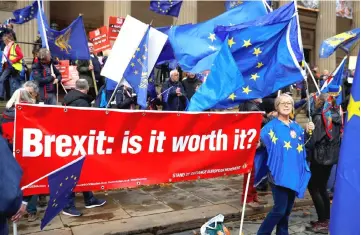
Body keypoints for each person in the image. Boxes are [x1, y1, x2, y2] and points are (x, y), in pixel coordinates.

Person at [257, 94, 314, 235]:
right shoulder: (270, 126)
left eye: (289, 103)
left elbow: (306, 144)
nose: (287, 105)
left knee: (287, 211)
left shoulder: (296, 126)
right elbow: (260, 142)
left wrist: (308, 131)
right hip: (278, 174)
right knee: (279, 209)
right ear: (277, 106)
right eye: (283, 103)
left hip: (294, 172)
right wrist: (256, 143)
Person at [62, 79, 106, 216]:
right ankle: (67, 205)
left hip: (71, 139)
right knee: (74, 172)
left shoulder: (68, 98)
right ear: (86, 89)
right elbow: (85, 122)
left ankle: (89, 198)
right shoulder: (82, 102)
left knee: (82, 171)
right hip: (78, 140)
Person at [306, 90, 342, 233]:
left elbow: (313, 140)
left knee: (314, 187)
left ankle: (323, 221)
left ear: (318, 101)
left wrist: (306, 133)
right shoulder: (335, 115)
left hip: (320, 157)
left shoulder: (320, 117)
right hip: (331, 157)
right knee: (321, 188)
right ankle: (326, 218)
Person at [239, 99, 270, 208]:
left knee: (252, 171)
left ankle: (253, 196)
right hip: (252, 141)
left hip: (251, 139)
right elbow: (259, 120)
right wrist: (270, 116)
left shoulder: (248, 104)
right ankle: (248, 199)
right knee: (250, 172)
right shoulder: (250, 105)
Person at [0, 33, 24, 100]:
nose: (4, 42)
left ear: (8, 39)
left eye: (5, 40)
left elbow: (21, 56)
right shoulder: (6, 47)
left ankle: (1, 96)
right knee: (14, 82)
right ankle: (9, 97)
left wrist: (13, 61)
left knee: (2, 79)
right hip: (7, 66)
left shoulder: (14, 46)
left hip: (12, 66)